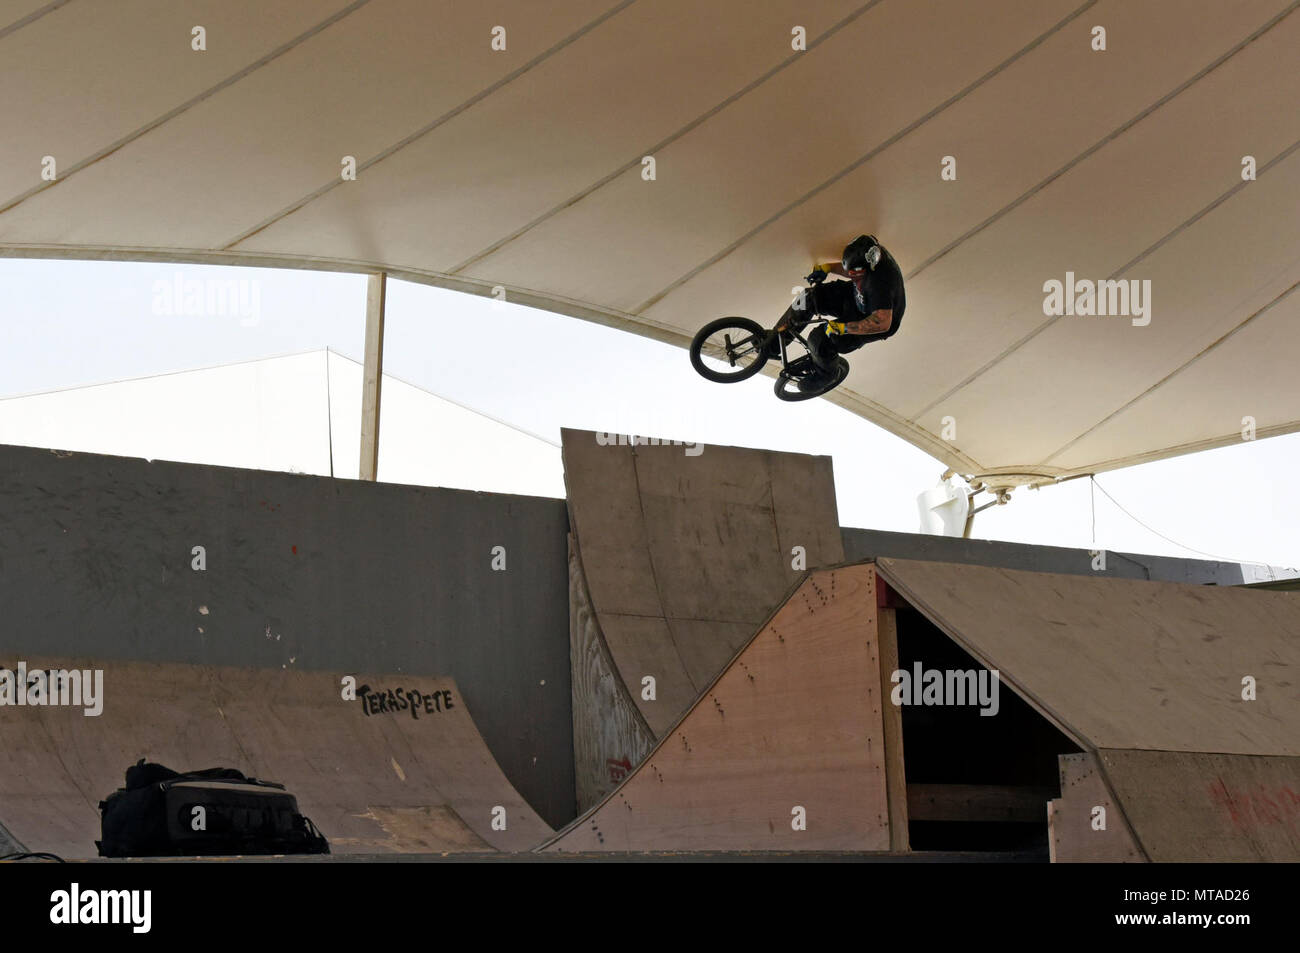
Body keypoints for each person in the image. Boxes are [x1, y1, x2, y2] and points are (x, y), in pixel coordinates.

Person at [772, 234, 906, 392]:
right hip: (856, 297)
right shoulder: (868, 254)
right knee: (808, 298)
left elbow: (882, 322)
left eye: (855, 272)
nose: (851, 274)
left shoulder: (881, 284)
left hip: (872, 319)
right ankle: (773, 344)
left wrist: (845, 328)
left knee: (820, 339)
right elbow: (852, 269)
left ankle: (827, 375)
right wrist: (827, 268)